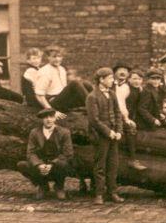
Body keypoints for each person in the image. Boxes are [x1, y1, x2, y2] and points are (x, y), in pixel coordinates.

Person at [16, 108, 75, 200]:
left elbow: (68, 153)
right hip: (41, 164)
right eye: (45, 117)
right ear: (42, 119)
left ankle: (59, 186)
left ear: (55, 118)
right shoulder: (34, 132)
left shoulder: (64, 132)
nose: (49, 120)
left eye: (51, 117)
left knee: (63, 164)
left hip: (56, 165)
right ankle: (42, 185)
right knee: (22, 165)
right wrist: (39, 164)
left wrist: (52, 164)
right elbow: (30, 152)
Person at [86, 67, 124, 205]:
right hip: (100, 135)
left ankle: (112, 192)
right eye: (109, 78)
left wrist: (119, 131)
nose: (112, 80)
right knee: (100, 165)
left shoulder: (112, 94)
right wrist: (108, 132)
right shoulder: (92, 96)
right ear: (101, 80)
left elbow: (118, 113)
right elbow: (94, 120)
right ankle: (99, 194)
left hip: (114, 134)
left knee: (113, 164)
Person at [34, 45, 90, 119]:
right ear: (48, 57)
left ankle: (98, 104)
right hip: (53, 102)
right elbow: (39, 95)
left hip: (62, 99)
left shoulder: (62, 69)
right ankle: (93, 108)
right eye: (54, 57)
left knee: (86, 84)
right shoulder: (45, 71)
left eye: (59, 56)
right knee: (75, 83)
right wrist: (51, 110)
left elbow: (64, 90)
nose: (57, 59)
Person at [113, 62, 147, 171]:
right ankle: (132, 159)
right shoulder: (125, 88)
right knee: (130, 128)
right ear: (129, 79)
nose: (137, 81)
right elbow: (121, 104)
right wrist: (126, 119)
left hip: (132, 115)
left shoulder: (140, 89)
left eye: (139, 79)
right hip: (120, 115)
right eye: (134, 79)